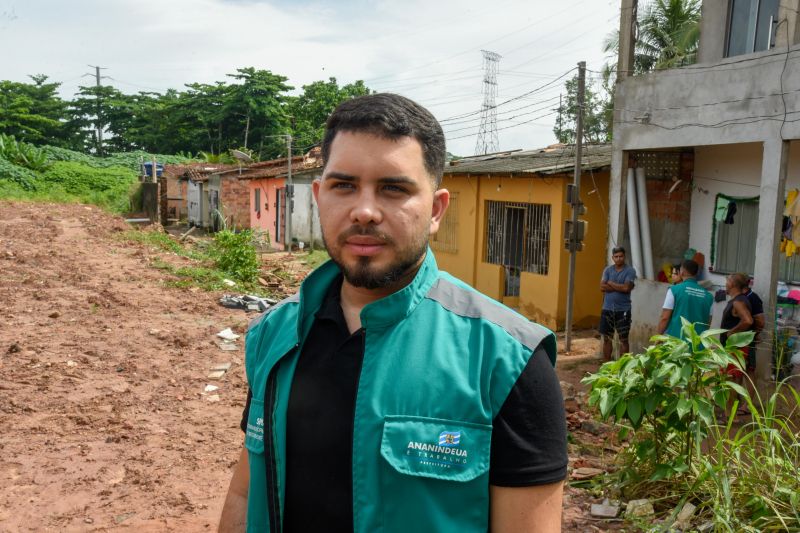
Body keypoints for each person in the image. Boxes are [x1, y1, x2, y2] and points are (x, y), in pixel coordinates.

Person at [218, 94, 567, 533]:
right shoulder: (273, 335)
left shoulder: (506, 362)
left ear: (436, 209)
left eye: (394, 188)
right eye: (345, 186)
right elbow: (246, 491)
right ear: (320, 197)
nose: (365, 211)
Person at [658, 259, 713, 339]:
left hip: (677, 344)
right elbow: (708, 322)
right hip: (698, 345)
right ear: (696, 273)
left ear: (682, 272)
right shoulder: (709, 296)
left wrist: (658, 338)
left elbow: (665, 318)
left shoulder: (674, 290)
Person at [599, 247, 636, 361]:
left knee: (623, 339)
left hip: (623, 310)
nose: (619, 259)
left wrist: (610, 283)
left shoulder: (630, 271)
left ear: (624, 257)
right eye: (616, 257)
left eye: (621, 256)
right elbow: (601, 287)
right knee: (606, 338)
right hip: (607, 308)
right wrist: (619, 286)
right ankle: (606, 365)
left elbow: (626, 288)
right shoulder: (608, 270)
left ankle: (623, 367)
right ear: (612, 258)